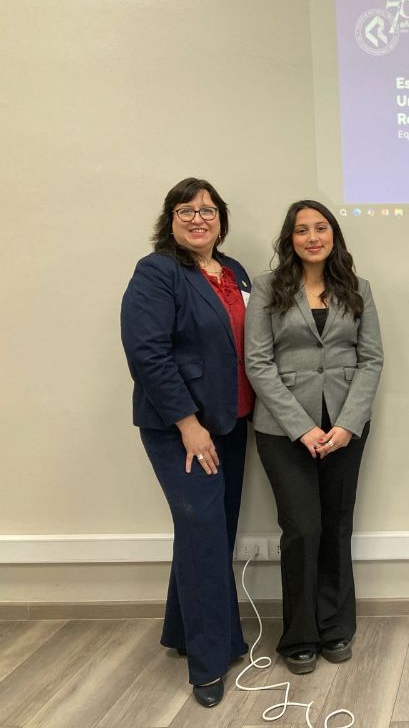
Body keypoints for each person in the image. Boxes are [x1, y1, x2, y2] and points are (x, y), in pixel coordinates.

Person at [121, 177, 253, 708]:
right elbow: (146, 353)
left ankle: (183, 632)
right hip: (183, 430)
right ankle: (208, 663)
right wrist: (187, 423)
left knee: (212, 532)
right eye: (186, 210)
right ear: (170, 220)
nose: (199, 218)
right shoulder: (157, 271)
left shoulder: (234, 271)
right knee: (204, 535)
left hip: (232, 421)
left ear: (221, 218)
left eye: (208, 210)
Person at [245, 199, 382, 675]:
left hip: (346, 427)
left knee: (337, 525)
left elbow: (371, 360)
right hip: (283, 430)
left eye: (321, 228)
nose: (312, 237)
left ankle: (336, 627)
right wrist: (301, 427)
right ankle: (299, 636)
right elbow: (257, 362)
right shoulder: (267, 288)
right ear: (290, 239)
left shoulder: (357, 288)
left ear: (334, 236)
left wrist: (347, 424)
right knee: (303, 529)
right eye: (302, 230)